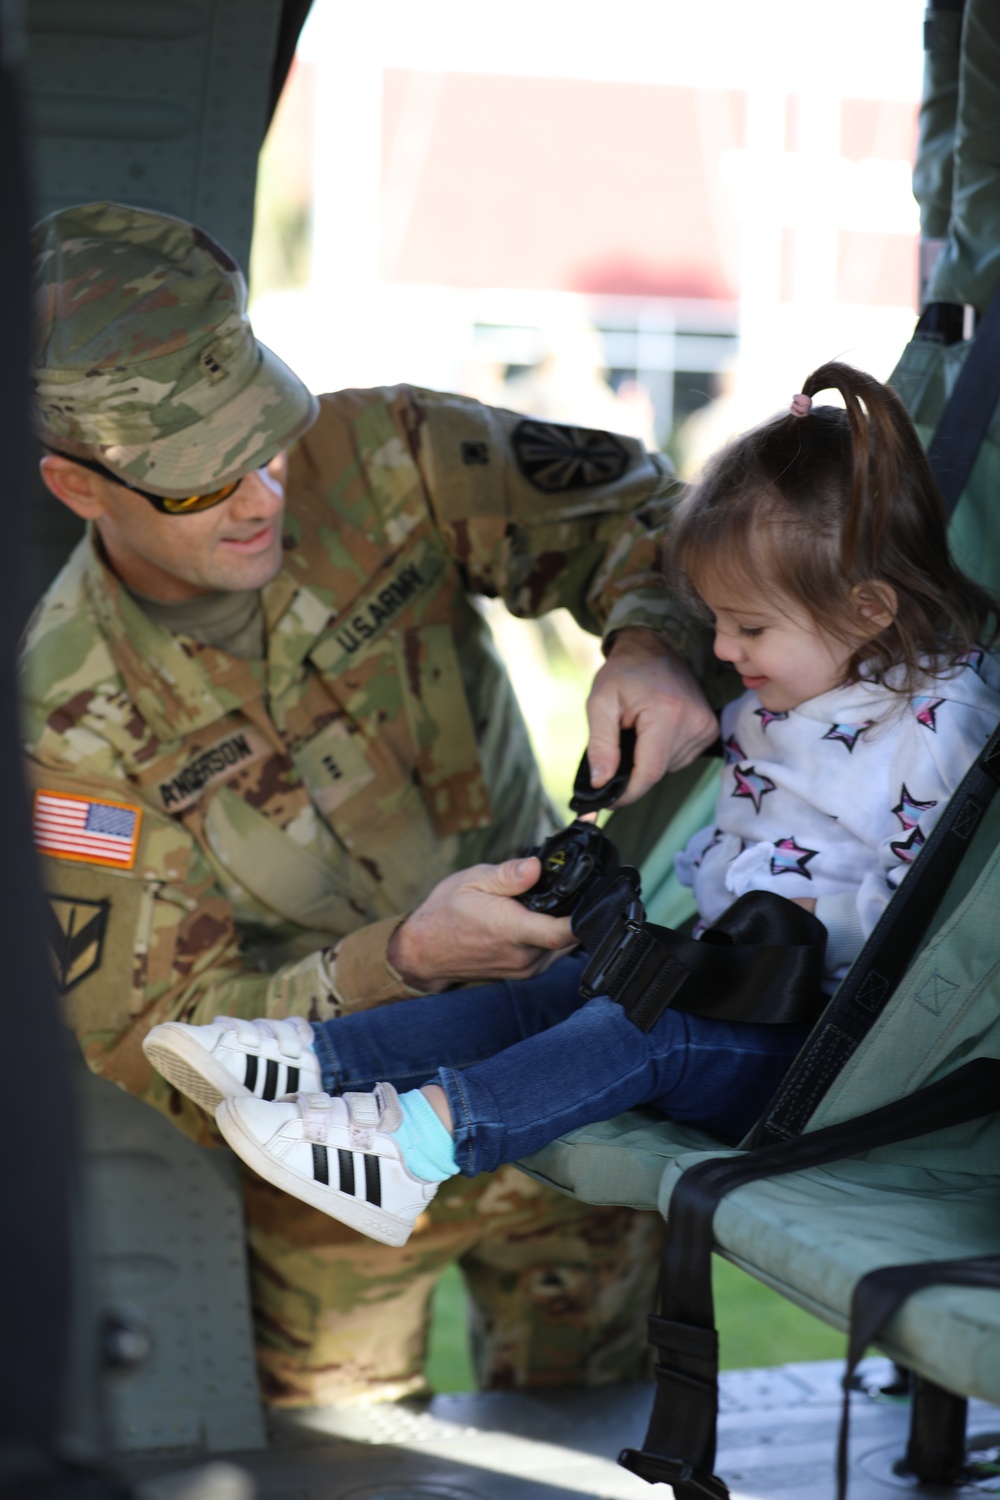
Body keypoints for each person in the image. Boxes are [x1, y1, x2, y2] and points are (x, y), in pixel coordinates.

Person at [22, 200, 723, 1406]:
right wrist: (397, 960)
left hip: (571, 1081)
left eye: (268, 442)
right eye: (199, 485)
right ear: (76, 487)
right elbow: (156, 1041)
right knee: (344, 1470)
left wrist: (651, 642)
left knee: (597, 1436)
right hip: (333, 1171)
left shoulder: (384, 451)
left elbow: (651, 516)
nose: (261, 496)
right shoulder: (65, 720)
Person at [141, 361, 1000, 1248]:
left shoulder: (943, 726)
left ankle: (417, 1148)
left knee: (641, 1027)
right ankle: (314, 1061)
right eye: (714, 620)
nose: (719, 648)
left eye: (748, 628)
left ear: (869, 609)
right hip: (735, 989)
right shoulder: (789, 691)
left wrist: (796, 911)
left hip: (827, 1059)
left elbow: (949, 928)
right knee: (563, 984)